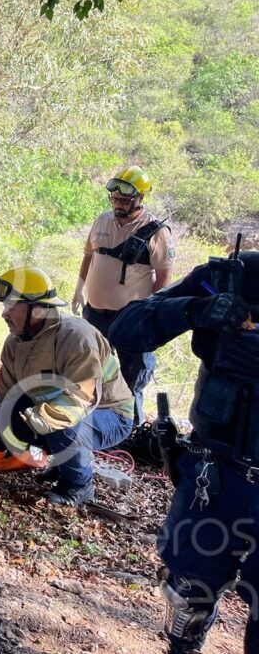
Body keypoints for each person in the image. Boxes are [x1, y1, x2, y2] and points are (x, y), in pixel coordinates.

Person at [109, 251, 259, 654]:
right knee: (188, 591)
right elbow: (127, 327)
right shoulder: (232, 278)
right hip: (217, 476)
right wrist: (195, 310)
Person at [0, 267, 134, 507]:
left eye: (12, 307)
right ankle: (62, 465)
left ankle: (79, 485)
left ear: (37, 309)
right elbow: (7, 394)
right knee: (14, 415)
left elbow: (79, 400)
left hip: (111, 414)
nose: (4, 314)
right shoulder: (15, 342)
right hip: (64, 407)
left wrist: (38, 421)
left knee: (59, 422)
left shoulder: (77, 338)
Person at [72, 165, 174, 426]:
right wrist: (78, 289)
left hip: (131, 317)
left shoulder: (155, 231)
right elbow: (88, 256)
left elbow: (163, 279)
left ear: (140, 198)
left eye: (124, 200)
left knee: (131, 376)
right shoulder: (102, 220)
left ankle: (131, 430)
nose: (118, 203)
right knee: (89, 370)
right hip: (95, 313)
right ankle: (91, 424)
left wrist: (150, 313)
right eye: (115, 198)